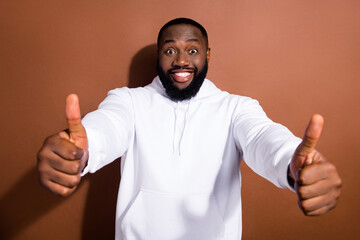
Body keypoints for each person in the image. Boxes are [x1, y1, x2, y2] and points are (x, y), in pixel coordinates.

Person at [37, 18, 342, 240]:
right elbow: (108, 127)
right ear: (159, 55)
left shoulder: (237, 107)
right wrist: (79, 149)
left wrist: (292, 162)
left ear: (207, 54)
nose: (181, 60)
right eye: (170, 51)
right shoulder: (128, 101)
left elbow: (263, 136)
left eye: (192, 50)